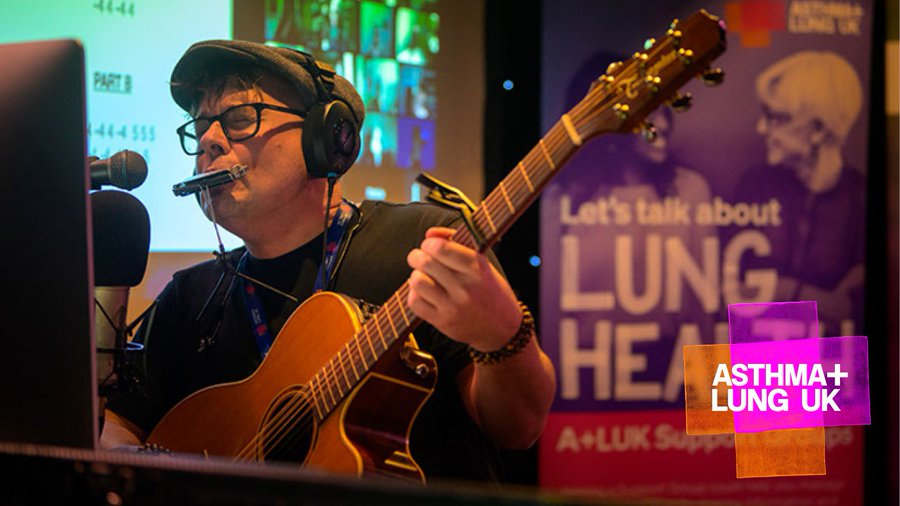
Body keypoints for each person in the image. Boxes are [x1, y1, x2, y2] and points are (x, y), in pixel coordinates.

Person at [100, 39, 556, 483]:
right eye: (200, 128)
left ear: (326, 139)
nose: (209, 141)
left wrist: (501, 334)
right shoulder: (188, 299)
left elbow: (519, 428)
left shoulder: (424, 243)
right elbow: (114, 428)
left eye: (239, 119)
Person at [732, 50, 866, 334]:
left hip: (832, 357)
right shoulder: (755, 185)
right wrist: (812, 297)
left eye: (776, 118)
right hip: (759, 355)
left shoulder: (861, 200)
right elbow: (735, 295)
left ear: (818, 130)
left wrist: (778, 290)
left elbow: (851, 311)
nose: (761, 128)